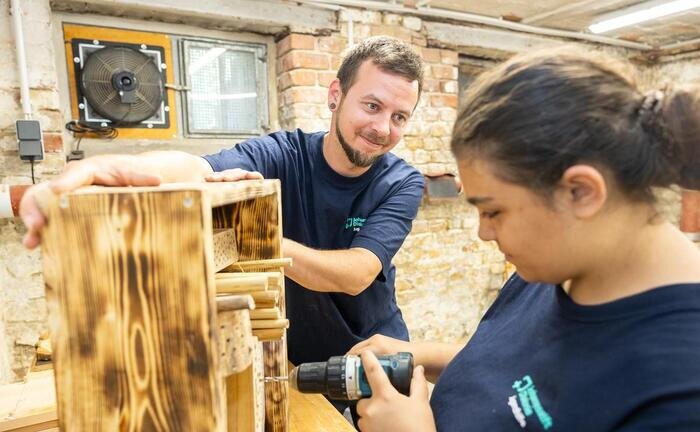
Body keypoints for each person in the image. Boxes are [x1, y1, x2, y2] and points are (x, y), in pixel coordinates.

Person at [347, 48, 700, 432]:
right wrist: (416, 354)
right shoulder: (559, 262)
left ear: (580, 192)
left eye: (494, 211)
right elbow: (522, 366)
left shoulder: (679, 390)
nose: (483, 233)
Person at [20, 36, 425, 368]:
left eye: (399, 117)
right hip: (297, 358)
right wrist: (105, 167)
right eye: (372, 106)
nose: (382, 128)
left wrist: (249, 238)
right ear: (336, 94)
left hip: (376, 354)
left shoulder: (401, 182)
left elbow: (355, 274)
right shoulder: (284, 155)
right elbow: (195, 167)